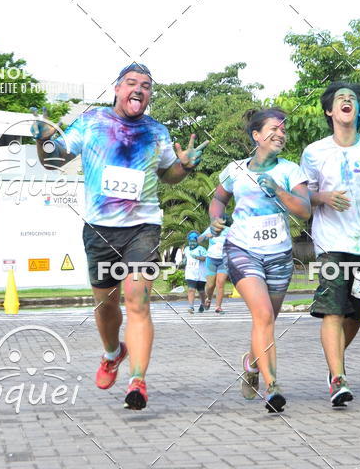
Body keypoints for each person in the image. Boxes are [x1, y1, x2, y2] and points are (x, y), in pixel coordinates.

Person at [32, 62, 207, 411]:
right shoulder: (93, 121)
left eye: (146, 85)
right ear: (117, 88)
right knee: (106, 305)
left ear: (150, 95)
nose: (138, 89)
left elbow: (169, 176)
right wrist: (42, 140)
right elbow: (53, 160)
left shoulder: (157, 131)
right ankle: (113, 353)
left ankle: (137, 382)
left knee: (137, 301)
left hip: (143, 227)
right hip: (99, 229)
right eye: (131, 83)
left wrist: (184, 165)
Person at [209, 107, 311, 413]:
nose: (280, 133)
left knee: (267, 320)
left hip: (279, 253)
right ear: (256, 135)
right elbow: (218, 199)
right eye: (273, 129)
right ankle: (272, 386)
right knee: (263, 314)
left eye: (283, 129)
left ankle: (252, 364)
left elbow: (305, 210)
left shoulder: (291, 170)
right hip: (242, 249)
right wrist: (216, 218)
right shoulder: (235, 169)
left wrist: (278, 190)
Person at [300, 82, 360, 407]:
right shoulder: (314, 152)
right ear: (330, 110)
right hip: (331, 242)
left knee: (357, 313)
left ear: (359, 109)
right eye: (340, 99)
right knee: (333, 309)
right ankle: (338, 377)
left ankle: (334, 362)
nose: (347, 101)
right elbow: (303, 198)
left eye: (352, 98)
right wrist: (322, 197)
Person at [198, 215, 231, 313]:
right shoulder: (210, 229)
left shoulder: (229, 230)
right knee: (210, 285)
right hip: (211, 259)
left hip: (224, 260)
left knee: (220, 283)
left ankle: (218, 306)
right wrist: (205, 236)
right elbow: (198, 240)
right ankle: (208, 298)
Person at [181, 231, 208, 313]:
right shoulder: (186, 249)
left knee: (201, 290)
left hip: (201, 273)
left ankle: (203, 303)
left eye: (194, 241)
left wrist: (197, 257)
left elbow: (205, 258)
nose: (192, 243)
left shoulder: (201, 249)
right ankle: (191, 307)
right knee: (191, 289)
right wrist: (184, 261)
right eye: (190, 241)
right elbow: (185, 257)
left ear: (197, 241)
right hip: (190, 273)